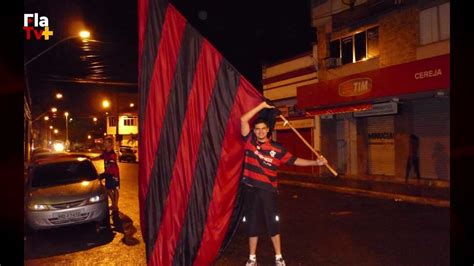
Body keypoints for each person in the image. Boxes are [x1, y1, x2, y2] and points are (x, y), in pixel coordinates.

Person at [240, 101, 327, 266]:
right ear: (254, 131)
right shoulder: (249, 141)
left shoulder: (278, 149)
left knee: (273, 223)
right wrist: (262, 106)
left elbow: (295, 161)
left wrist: (316, 163)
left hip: (268, 191)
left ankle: (278, 257)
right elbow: (243, 120)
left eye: (263, 129)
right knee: (252, 224)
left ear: (268, 130)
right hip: (250, 189)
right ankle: (252, 259)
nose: (259, 131)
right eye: (257, 128)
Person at [94, 137, 120, 215]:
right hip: (108, 173)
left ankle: (115, 205)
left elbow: (110, 164)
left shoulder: (112, 154)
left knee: (114, 189)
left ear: (110, 144)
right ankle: (114, 204)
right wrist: (91, 159)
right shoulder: (105, 152)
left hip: (113, 173)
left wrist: (104, 174)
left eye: (105, 142)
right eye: (104, 142)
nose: (104, 143)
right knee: (108, 189)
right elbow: (100, 157)